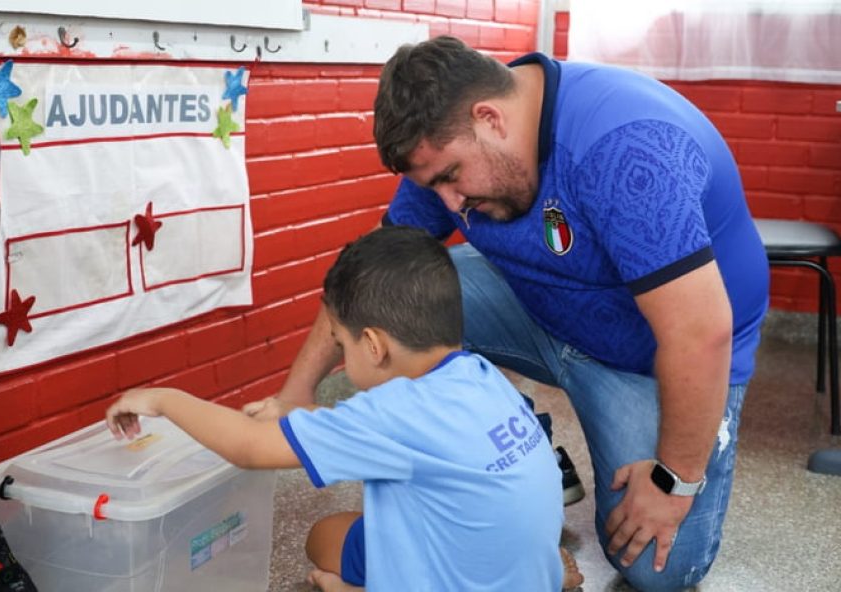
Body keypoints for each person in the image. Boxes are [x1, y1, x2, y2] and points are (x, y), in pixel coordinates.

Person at [270, 36, 770, 591]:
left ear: (490, 119)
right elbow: (367, 282)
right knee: (398, 298)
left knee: (658, 568)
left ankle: (550, 462)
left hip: (652, 353)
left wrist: (674, 481)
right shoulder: (454, 143)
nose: (451, 203)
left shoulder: (625, 145)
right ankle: (521, 449)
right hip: (539, 307)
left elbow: (700, 332)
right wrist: (297, 394)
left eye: (450, 177)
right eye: (434, 186)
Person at [106, 226, 575, 592]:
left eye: (340, 344)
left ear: (372, 346)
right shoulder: (481, 374)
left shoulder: (396, 411)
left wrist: (164, 398)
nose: (341, 356)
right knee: (362, 530)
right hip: (521, 569)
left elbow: (248, 448)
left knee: (321, 538)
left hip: (453, 575)